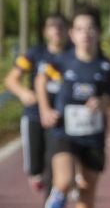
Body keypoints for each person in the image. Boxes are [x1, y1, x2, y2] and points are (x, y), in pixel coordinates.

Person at [30, 4, 110, 208]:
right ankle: (56, 197)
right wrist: (45, 109)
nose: (85, 34)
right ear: (72, 34)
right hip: (64, 133)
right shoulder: (61, 61)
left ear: (98, 33)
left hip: (93, 135)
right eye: (79, 29)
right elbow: (40, 80)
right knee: (65, 180)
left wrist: (102, 103)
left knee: (88, 188)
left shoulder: (106, 66)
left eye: (91, 29)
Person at [8, 12, 67, 198]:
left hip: (60, 118)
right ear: (45, 31)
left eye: (61, 26)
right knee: (35, 167)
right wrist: (24, 93)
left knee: (53, 162)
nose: (57, 30)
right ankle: (35, 175)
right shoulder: (35, 53)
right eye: (52, 26)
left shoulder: (73, 54)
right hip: (34, 115)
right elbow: (11, 80)